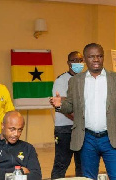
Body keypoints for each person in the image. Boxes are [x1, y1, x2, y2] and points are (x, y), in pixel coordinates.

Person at [50, 43, 116, 180]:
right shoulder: (76, 81)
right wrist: (60, 105)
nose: (96, 60)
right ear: (86, 59)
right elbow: (70, 106)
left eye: (99, 56)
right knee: (87, 178)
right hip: (87, 139)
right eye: (91, 57)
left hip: (112, 139)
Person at [0, 111, 42, 180]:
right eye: (12, 129)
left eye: (20, 130)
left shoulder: (28, 148)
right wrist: (20, 171)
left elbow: (36, 176)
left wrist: (0, 171)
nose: (16, 134)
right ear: (2, 126)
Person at [51, 51, 84, 179]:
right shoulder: (61, 80)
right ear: (68, 63)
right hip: (65, 129)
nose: (78, 63)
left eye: (80, 60)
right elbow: (63, 106)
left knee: (82, 164)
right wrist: (78, 119)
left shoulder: (86, 78)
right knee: (61, 163)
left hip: (82, 128)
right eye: (74, 60)